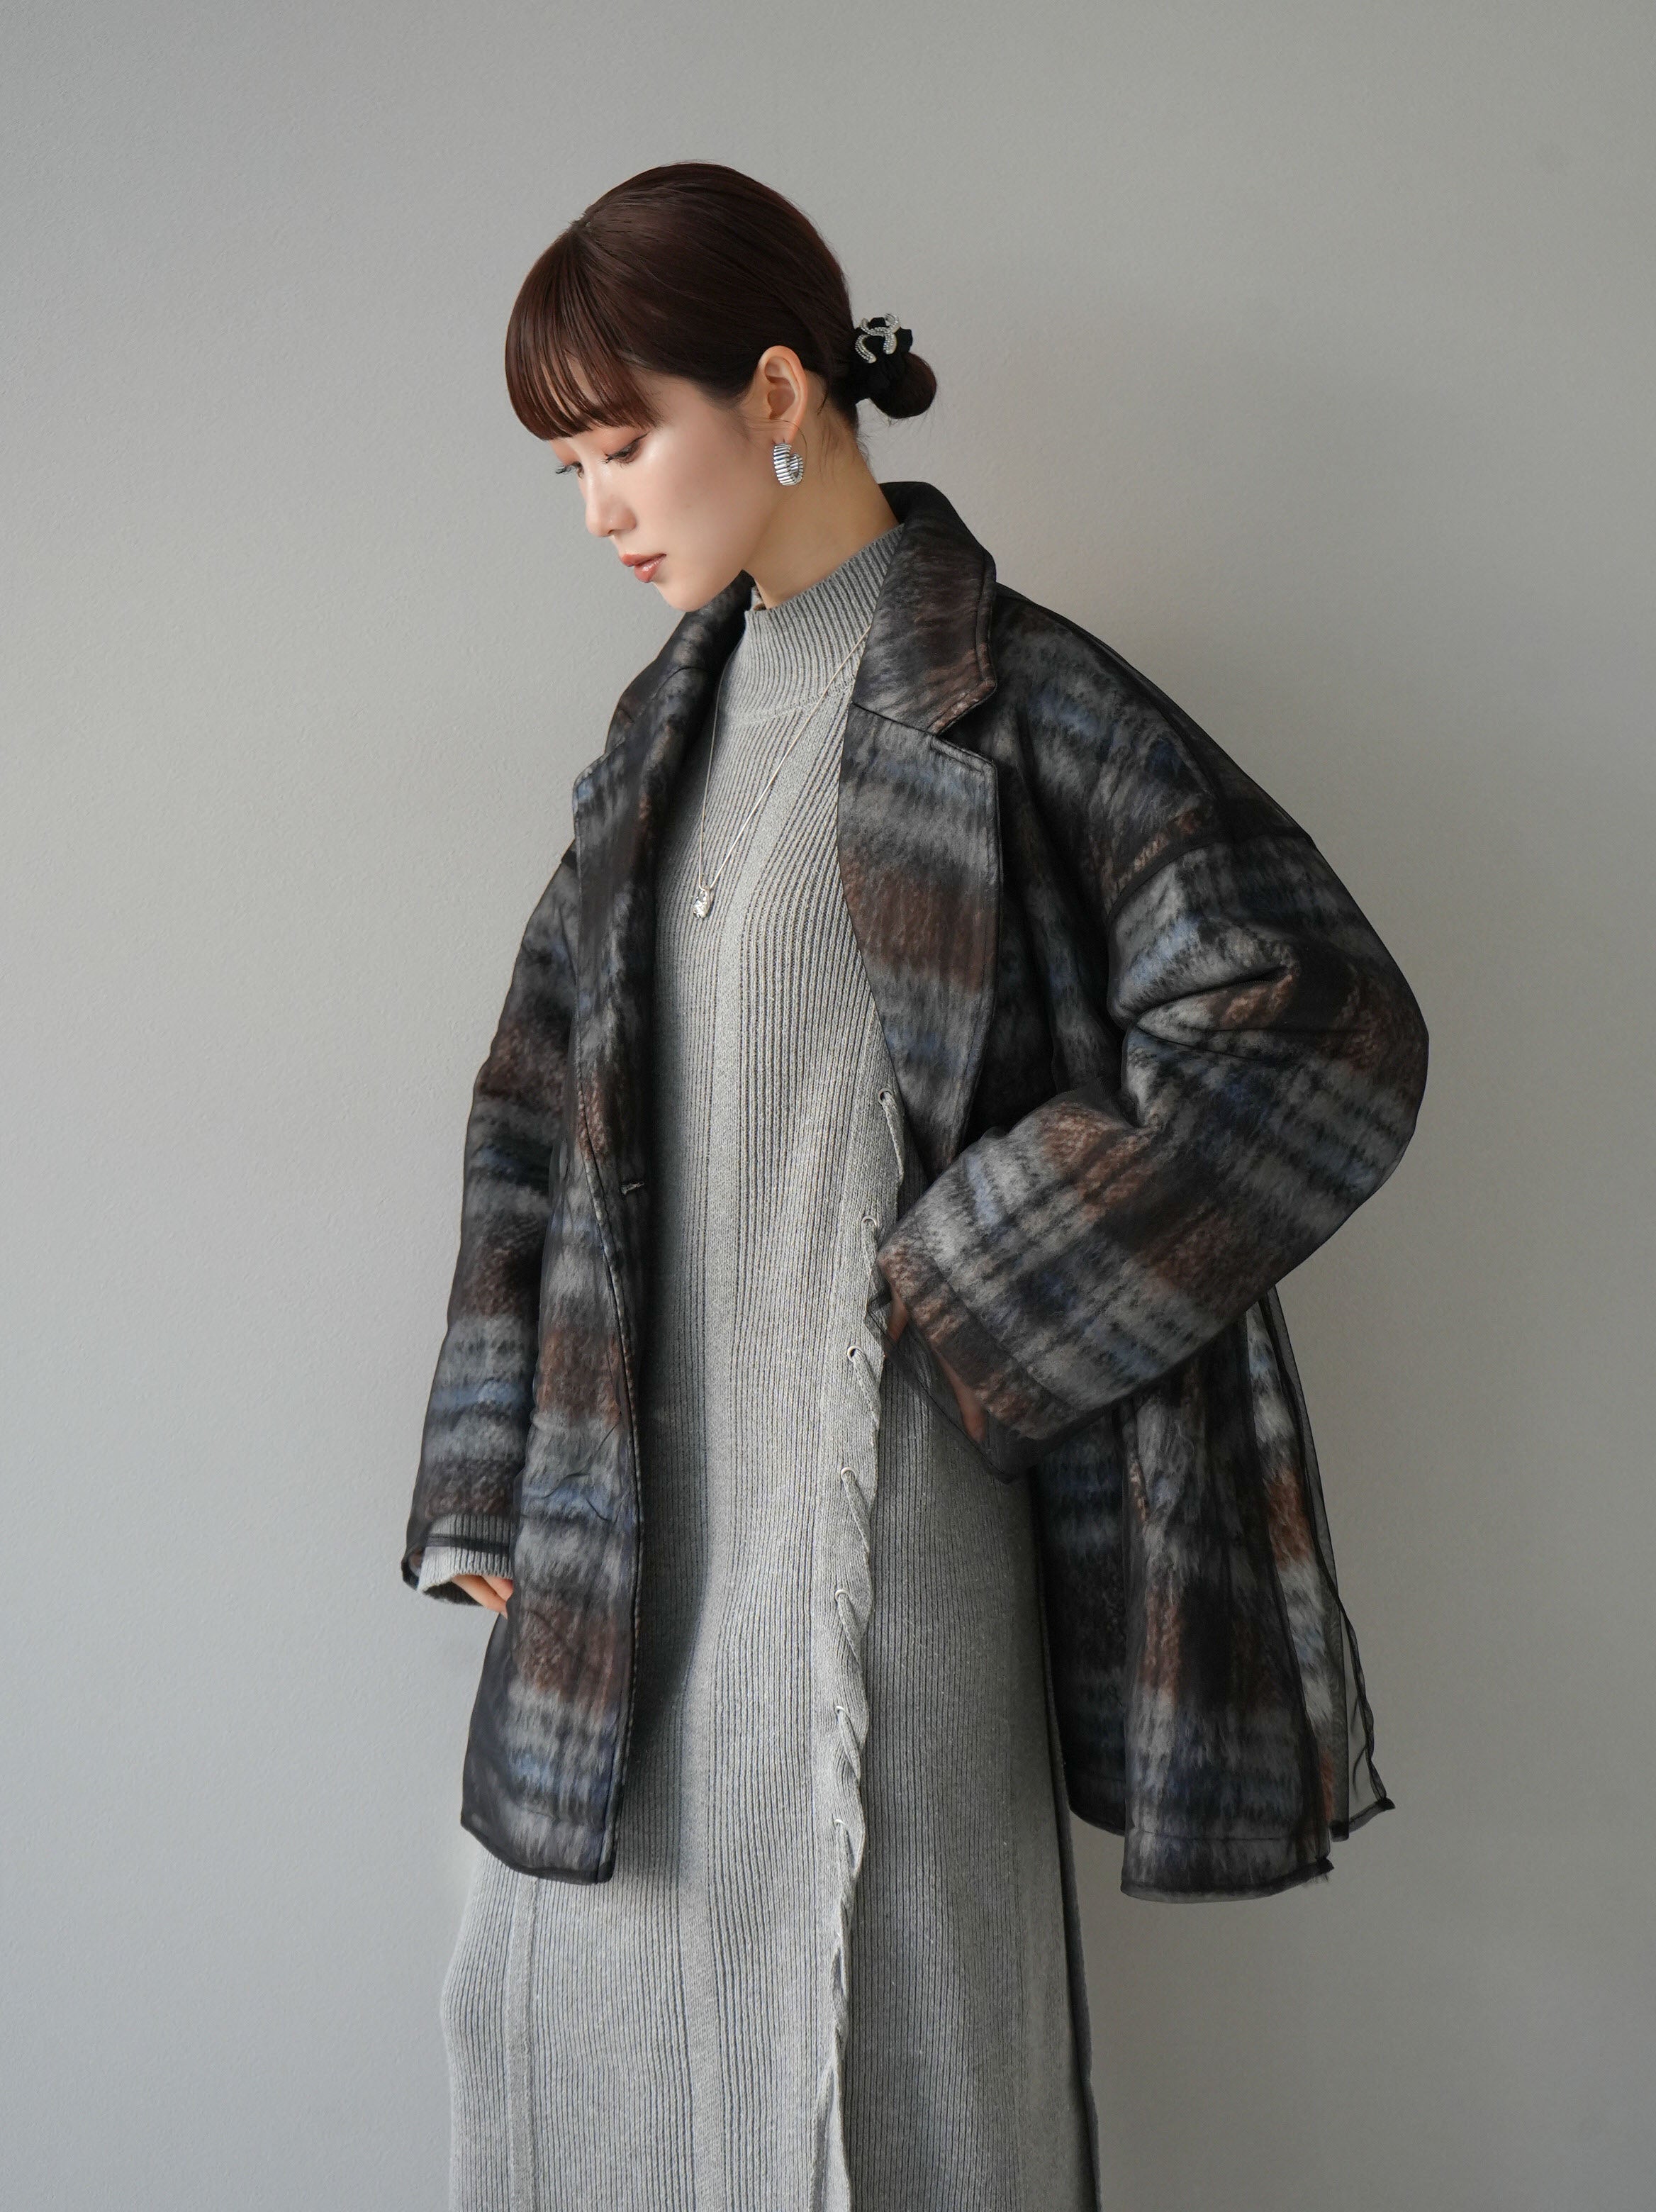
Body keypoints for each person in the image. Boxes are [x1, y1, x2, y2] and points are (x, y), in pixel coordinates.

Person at [401, 162, 1428, 2212]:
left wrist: (971, 1284)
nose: (596, 510)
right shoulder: (657, 740)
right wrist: (489, 1476)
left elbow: (1314, 1019)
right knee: (584, 2041)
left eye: (621, 447)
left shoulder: (1020, 700)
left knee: (899, 2062)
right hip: (627, 1541)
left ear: (778, 392)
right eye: (567, 469)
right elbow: (530, 1106)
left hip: (886, 1537)